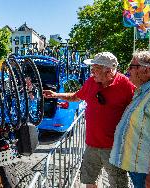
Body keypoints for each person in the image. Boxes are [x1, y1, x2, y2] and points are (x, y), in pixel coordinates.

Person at [43, 52, 136, 188]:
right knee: (89, 181)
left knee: (118, 184)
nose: (91, 72)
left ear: (108, 71)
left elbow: (137, 109)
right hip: (91, 145)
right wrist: (56, 95)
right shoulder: (91, 82)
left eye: (95, 69)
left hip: (114, 147)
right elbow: (76, 97)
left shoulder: (125, 85)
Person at [109, 50, 150, 188]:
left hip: (147, 172)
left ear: (147, 69)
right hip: (139, 168)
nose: (128, 70)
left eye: (132, 66)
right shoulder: (144, 90)